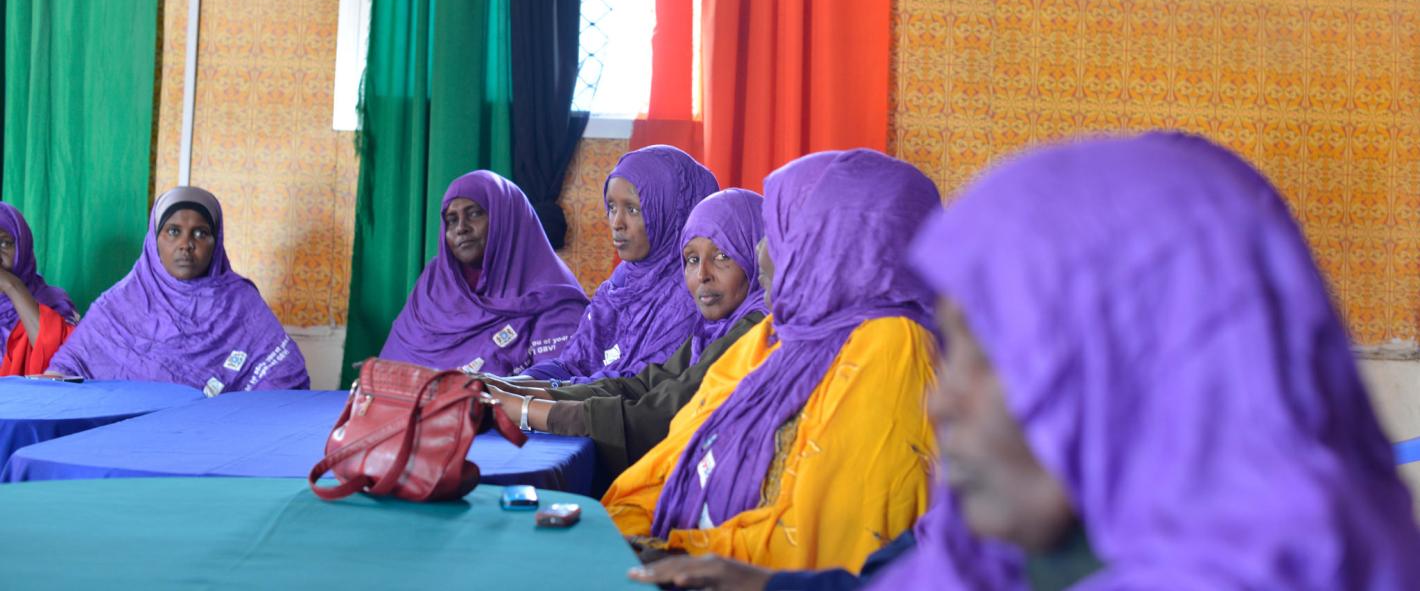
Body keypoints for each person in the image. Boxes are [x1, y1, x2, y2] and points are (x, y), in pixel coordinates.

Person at [864, 133, 1420, 589]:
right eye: (953, 350)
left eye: (991, 354)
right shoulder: (978, 565)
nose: (940, 403)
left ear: (1153, 368)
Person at [602, 150, 940, 572]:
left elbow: (814, 539)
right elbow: (673, 457)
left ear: (834, 246)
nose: (761, 250)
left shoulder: (892, 346)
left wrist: (672, 551)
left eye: (782, 229)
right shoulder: (779, 334)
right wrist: (621, 531)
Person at [485, 189, 769, 483]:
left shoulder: (755, 330)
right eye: (692, 259)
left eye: (722, 256)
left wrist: (521, 409)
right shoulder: (712, 328)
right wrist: (512, 390)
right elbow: (645, 384)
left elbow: (659, 414)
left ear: (758, 255)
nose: (702, 275)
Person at [47, 186, 309, 392]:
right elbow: (67, 368)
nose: (186, 244)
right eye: (173, 231)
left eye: (200, 233)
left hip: (214, 439)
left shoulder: (241, 304)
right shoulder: (117, 305)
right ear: (154, 240)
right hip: (126, 435)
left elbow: (285, 374)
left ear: (216, 242)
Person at [522, 145, 718, 382]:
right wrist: (510, 384)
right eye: (612, 207)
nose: (617, 223)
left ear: (672, 212)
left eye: (633, 209)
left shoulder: (694, 296)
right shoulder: (622, 281)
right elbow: (572, 363)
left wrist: (536, 394)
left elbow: (637, 387)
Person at [378, 171, 589, 375]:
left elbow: (556, 387)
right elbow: (388, 371)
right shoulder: (434, 284)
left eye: (474, 213)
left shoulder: (554, 298)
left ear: (506, 219)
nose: (461, 228)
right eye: (452, 220)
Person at [0, 203, 80, 376]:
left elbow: (61, 366)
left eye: (4, 243)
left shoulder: (54, 302)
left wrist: (12, 286)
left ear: (23, 246)